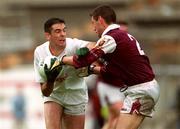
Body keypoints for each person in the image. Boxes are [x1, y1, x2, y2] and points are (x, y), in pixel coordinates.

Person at [61, 5, 160, 129]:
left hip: (140, 91)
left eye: (93, 23)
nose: (93, 28)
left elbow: (85, 60)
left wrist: (61, 60)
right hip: (147, 88)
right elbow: (113, 70)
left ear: (101, 20)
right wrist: (91, 70)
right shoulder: (121, 35)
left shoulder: (110, 37)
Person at [33, 17, 95, 129]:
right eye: (58, 31)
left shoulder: (73, 45)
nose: (63, 34)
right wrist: (51, 80)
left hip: (76, 94)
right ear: (48, 35)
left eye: (64, 30)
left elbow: (93, 45)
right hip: (54, 95)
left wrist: (87, 51)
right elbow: (45, 92)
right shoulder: (40, 52)